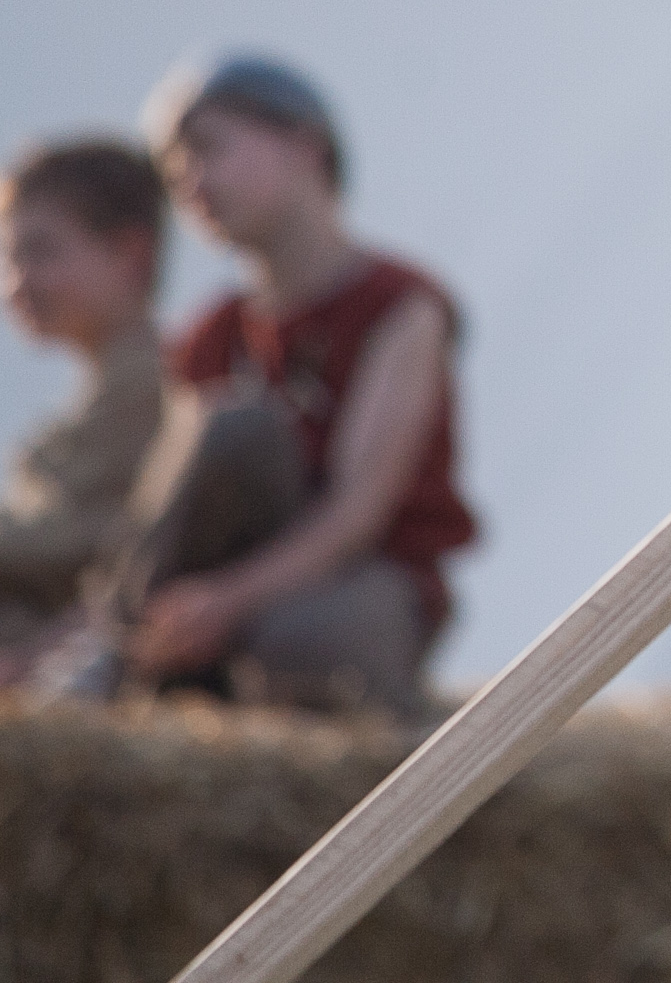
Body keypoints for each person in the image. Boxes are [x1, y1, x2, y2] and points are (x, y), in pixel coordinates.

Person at [101, 56, 476, 717]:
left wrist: (227, 603)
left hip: (366, 577)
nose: (191, 182)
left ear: (305, 144)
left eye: (207, 148)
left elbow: (358, 513)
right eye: (174, 170)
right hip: (219, 588)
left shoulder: (399, 306)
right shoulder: (212, 334)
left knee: (306, 644)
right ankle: (117, 657)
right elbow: (157, 518)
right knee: (228, 433)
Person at [1, 138, 171, 666]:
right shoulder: (102, 392)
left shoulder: (152, 384)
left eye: (41, 251)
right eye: (10, 257)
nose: (16, 284)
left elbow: (91, 539)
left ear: (130, 254)